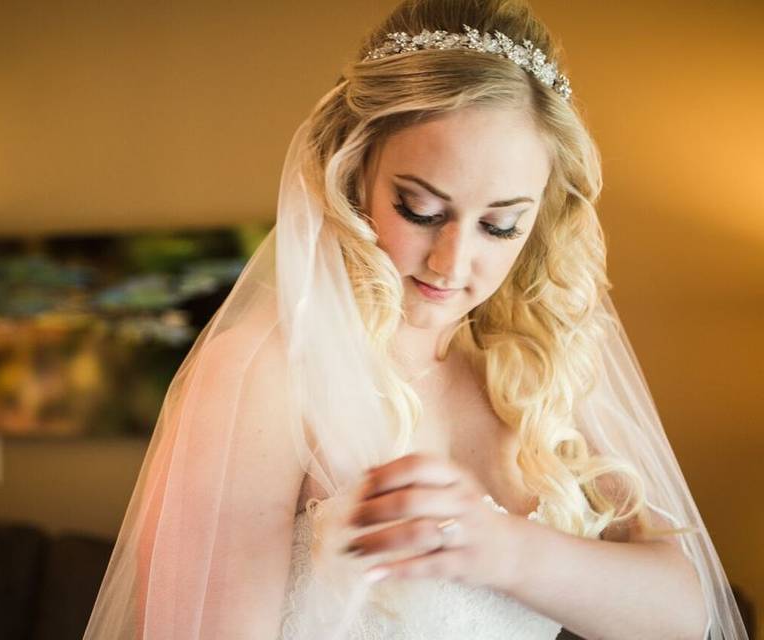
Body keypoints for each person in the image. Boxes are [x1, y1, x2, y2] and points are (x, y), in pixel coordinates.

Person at [83, 0, 750, 638]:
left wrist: (500, 549)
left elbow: (685, 614)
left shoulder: (540, 370)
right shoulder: (265, 373)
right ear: (354, 175)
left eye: (500, 224)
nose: (452, 262)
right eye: (421, 210)